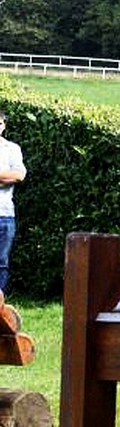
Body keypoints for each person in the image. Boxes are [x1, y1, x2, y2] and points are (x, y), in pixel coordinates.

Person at [0, 110, 26, 294]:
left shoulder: (12, 149)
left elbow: (18, 175)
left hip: (4, 214)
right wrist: (3, 177)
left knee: (1, 262)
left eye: (0, 123)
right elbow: (10, 175)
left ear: (4, 126)